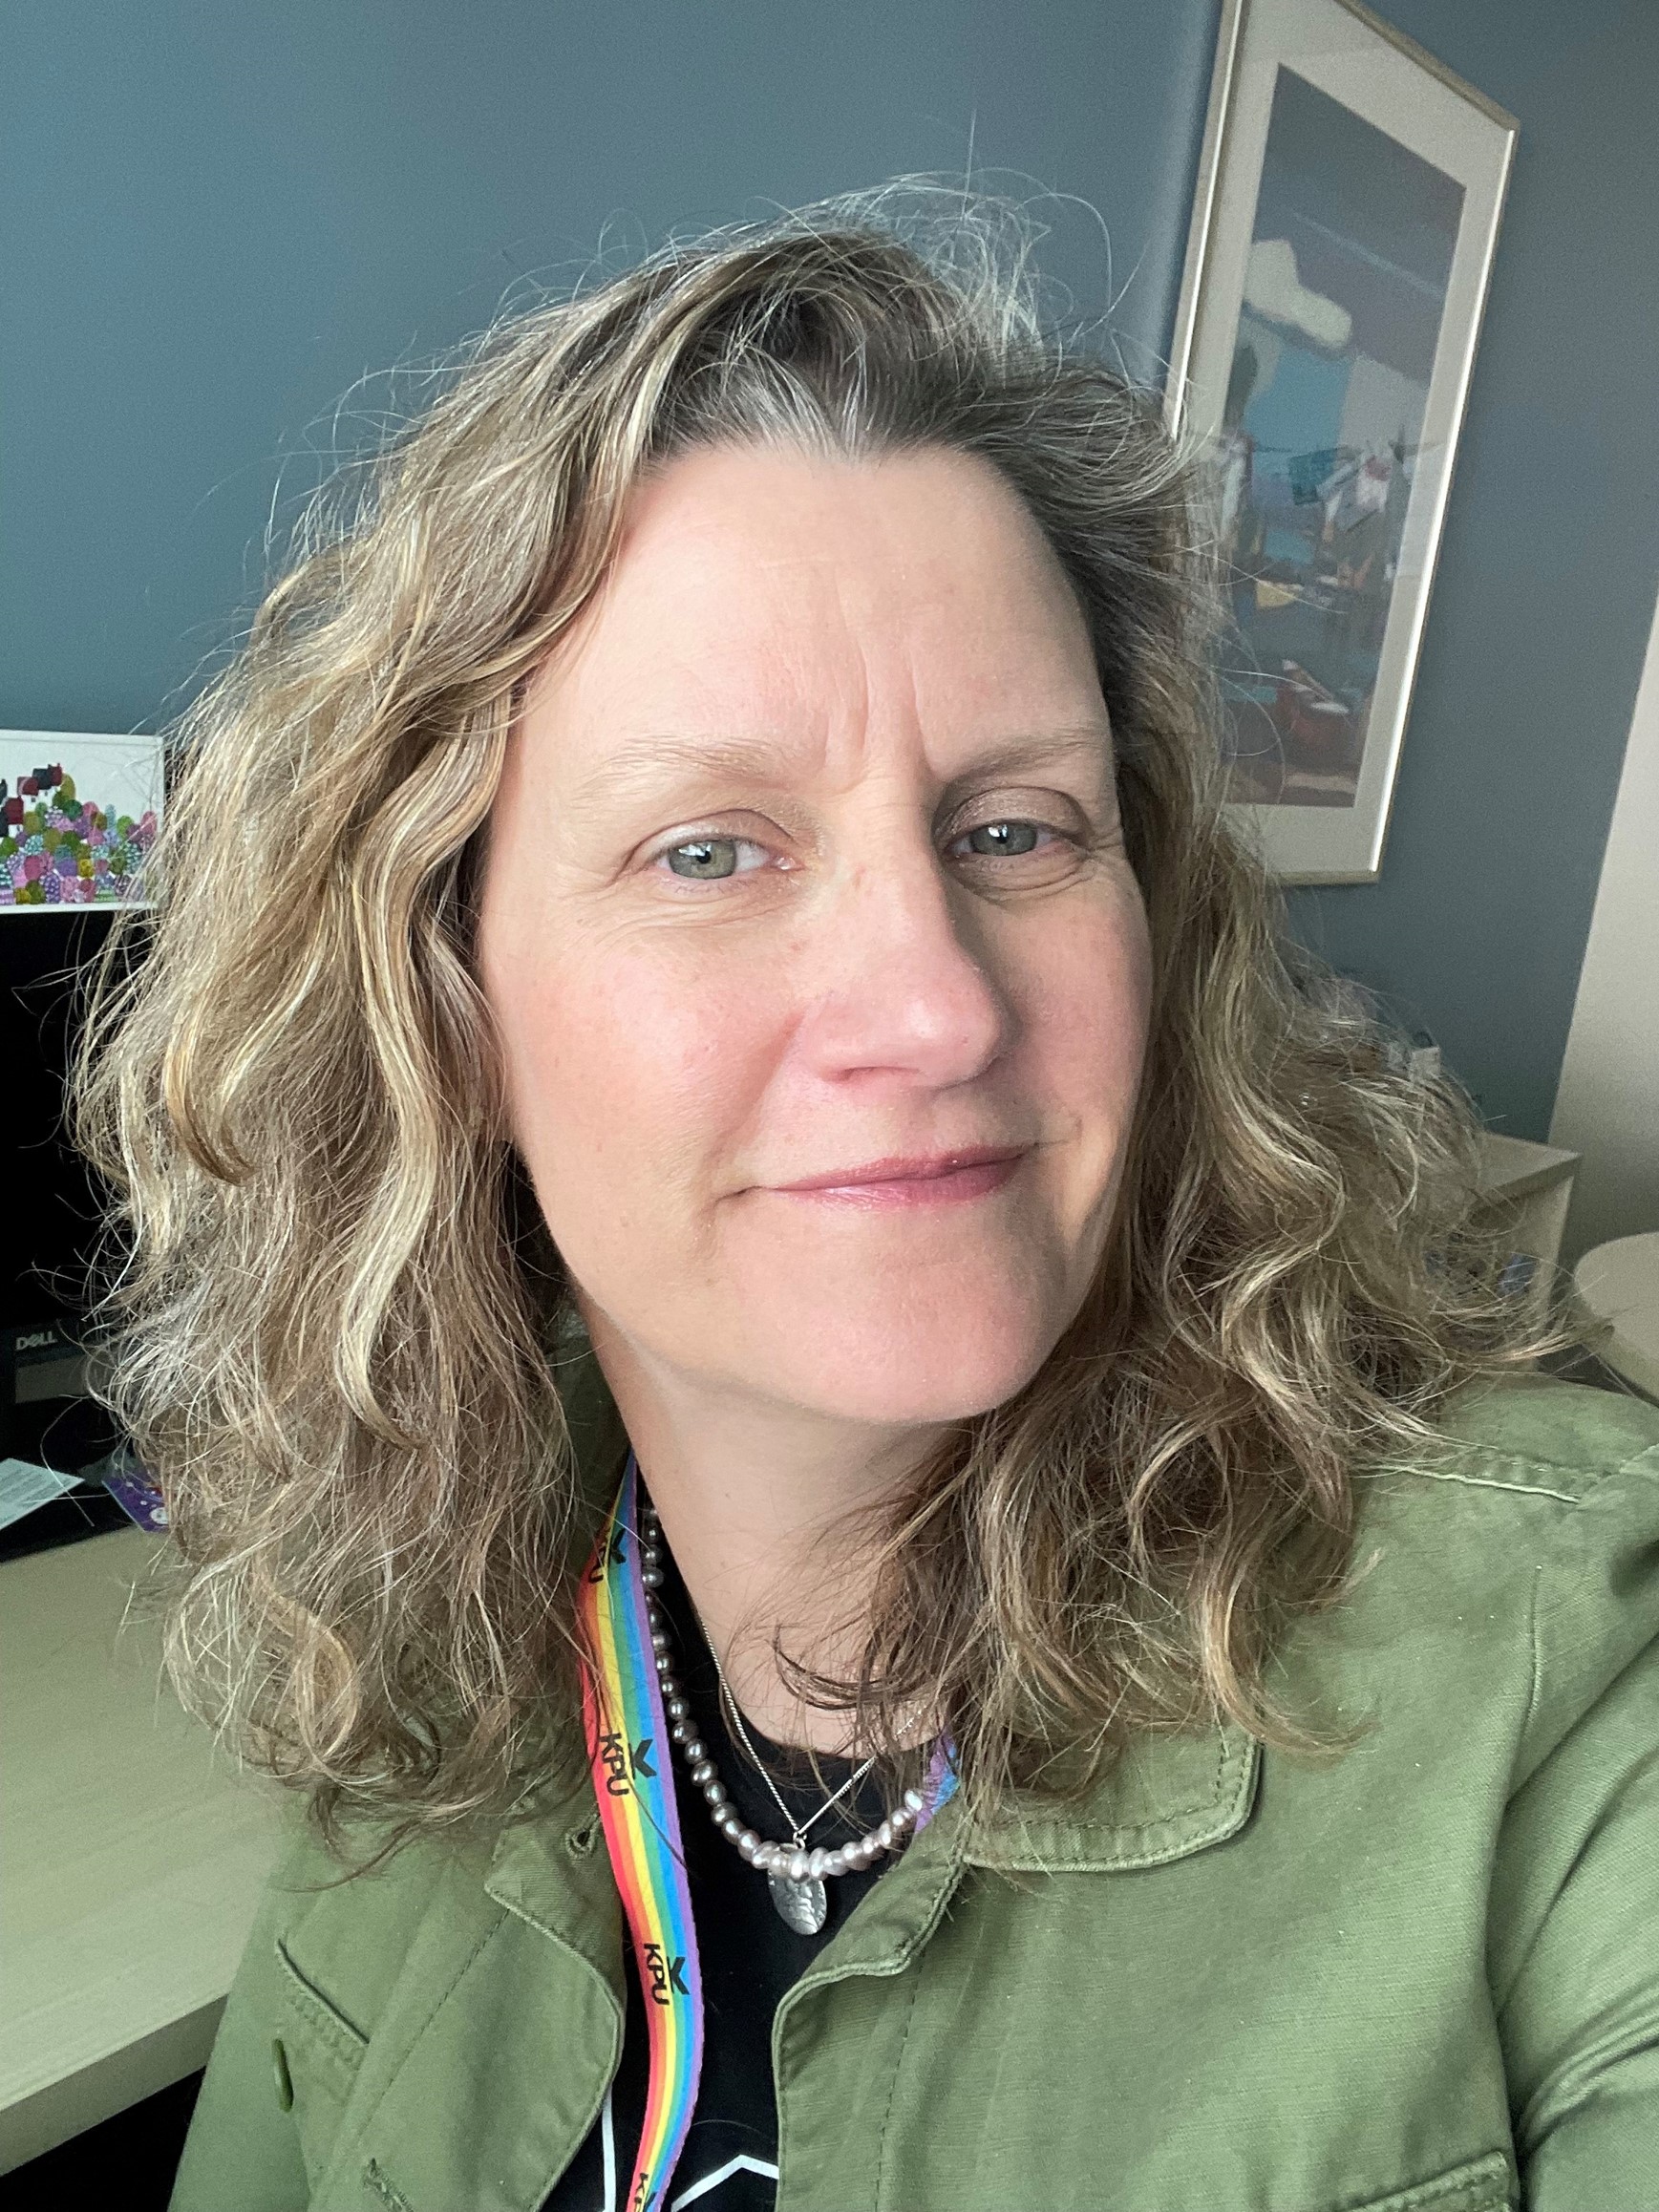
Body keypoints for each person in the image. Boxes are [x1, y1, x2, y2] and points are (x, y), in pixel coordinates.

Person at [73, 189, 1658, 2212]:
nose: (928, 1002)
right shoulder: (434, 1631)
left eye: (1013, 828)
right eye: (709, 853)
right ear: (445, 1004)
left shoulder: (1561, 1675)